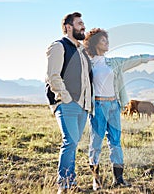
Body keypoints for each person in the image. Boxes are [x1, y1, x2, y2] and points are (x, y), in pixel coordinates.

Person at [83, 28, 154, 190]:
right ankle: (96, 179)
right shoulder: (87, 64)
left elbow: (135, 59)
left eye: (106, 40)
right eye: (103, 40)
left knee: (115, 142)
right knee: (96, 143)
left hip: (114, 106)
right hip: (98, 106)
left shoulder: (114, 62)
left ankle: (118, 178)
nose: (107, 43)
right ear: (95, 43)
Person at [45, 12, 92, 193]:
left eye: (83, 23)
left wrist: (87, 103)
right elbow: (53, 76)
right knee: (69, 143)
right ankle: (64, 186)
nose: (83, 27)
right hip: (67, 103)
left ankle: (70, 184)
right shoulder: (58, 46)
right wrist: (66, 98)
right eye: (80, 23)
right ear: (68, 27)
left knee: (73, 144)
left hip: (82, 106)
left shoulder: (82, 52)